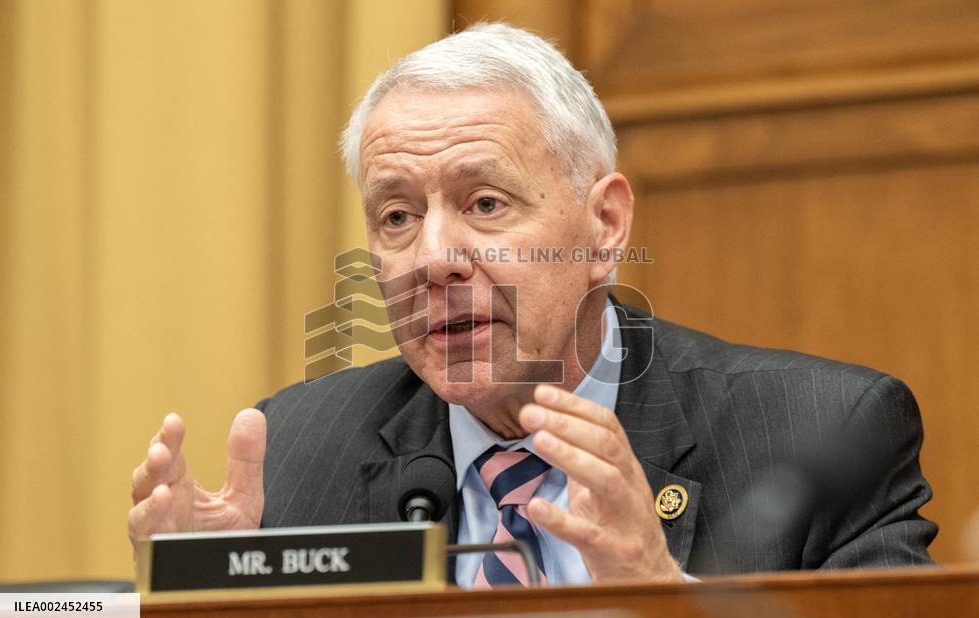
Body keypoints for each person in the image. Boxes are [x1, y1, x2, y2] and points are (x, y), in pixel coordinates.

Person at [127, 23, 936, 586]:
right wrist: (197, 611)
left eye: (485, 203)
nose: (433, 259)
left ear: (604, 225)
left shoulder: (821, 436)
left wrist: (667, 598)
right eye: (397, 217)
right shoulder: (297, 457)